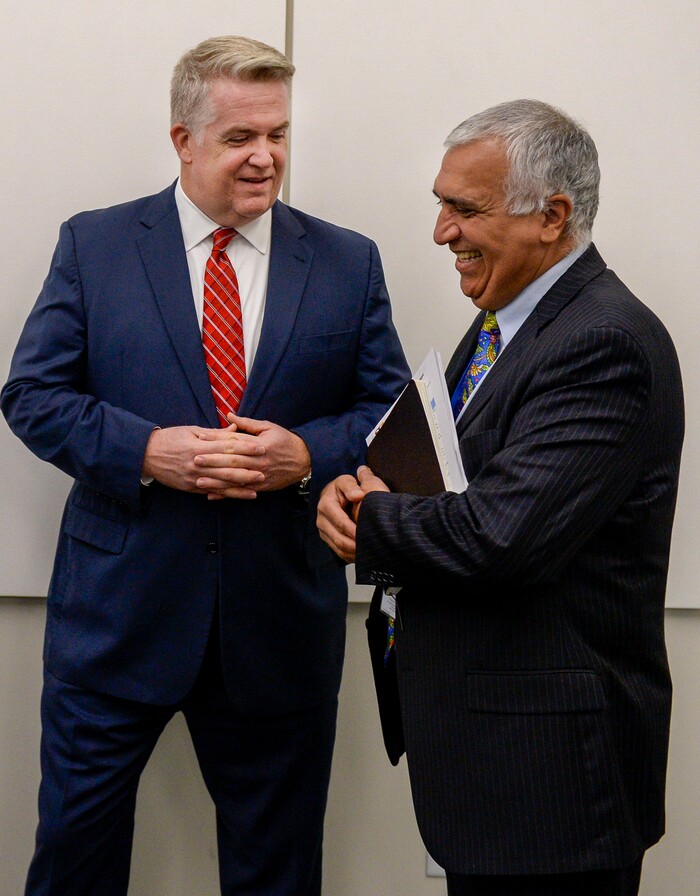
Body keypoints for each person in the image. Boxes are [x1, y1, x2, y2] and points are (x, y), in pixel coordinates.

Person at [1, 35, 408, 896]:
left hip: (280, 623)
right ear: (183, 139)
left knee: (277, 873)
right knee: (74, 861)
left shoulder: (347, 259)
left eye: (280, 134)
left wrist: (307, 455)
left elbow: (390, 415)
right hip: (115, 622)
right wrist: (147, 451)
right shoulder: (95, 243)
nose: (266, 157)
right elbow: (31, 395)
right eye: (239, 137)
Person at [317, 99, 684, 896]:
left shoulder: (603, 342)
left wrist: (368, 522)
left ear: (553, 216)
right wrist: (367, 493)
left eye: (464, 209)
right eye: (440, 205)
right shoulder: (501, 324)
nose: (441, 232)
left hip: (547, 783)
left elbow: (502, 535)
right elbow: (460, 485)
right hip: (492, 764)